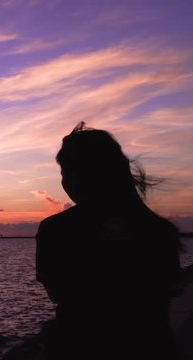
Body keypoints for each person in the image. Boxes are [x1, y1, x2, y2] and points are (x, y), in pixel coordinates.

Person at [35, 122, 183, 360]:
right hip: (153, 347)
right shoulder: (158, 230)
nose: (65, 182)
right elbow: (170, 288)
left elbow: (57, 293)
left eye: (66, 172)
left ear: (83, 175)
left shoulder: (57, 230)